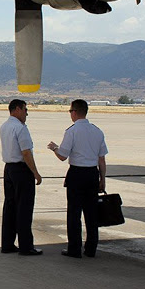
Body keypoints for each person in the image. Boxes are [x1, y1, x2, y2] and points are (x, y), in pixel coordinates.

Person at [47, 99, 108, 258]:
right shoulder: (97, 131)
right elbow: (101, 159)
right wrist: (102, 179)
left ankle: (74, 248)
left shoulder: (72, 131)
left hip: (76, 174)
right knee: (91, 214)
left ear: (74, 112)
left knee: (74, 213)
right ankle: (91, 249)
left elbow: (62, 155)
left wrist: (54, 148)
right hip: (92, 175)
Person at [0, 99, 43, 256]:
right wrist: (35, 172)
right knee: (24, 208)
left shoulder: (5, 126)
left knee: (10, 207)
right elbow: (26, 152)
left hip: (9, 169)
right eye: (25, 109)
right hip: (21, 170)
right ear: (17, 109)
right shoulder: (20, 128)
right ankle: (26, 246)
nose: (26, 113)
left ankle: (7, 244)